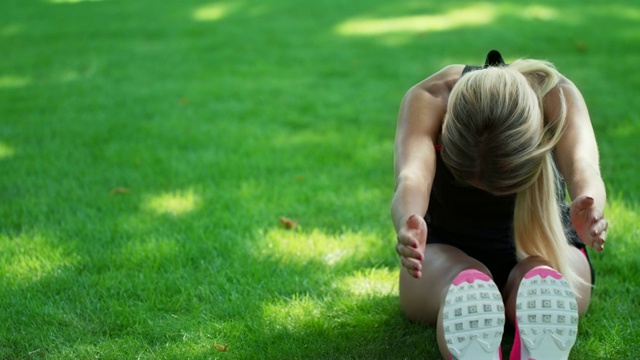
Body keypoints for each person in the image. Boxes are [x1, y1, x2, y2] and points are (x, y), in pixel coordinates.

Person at [391, 50, 608, 360]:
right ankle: (472, 294)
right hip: (445, 249)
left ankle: (531, 290)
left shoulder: (556, 96)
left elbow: (583, 167)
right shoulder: (429, 99)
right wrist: (410, 220)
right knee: (463, 281)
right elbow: (412, 176)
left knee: (542, 276)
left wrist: (590, 206)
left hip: (543, 244)